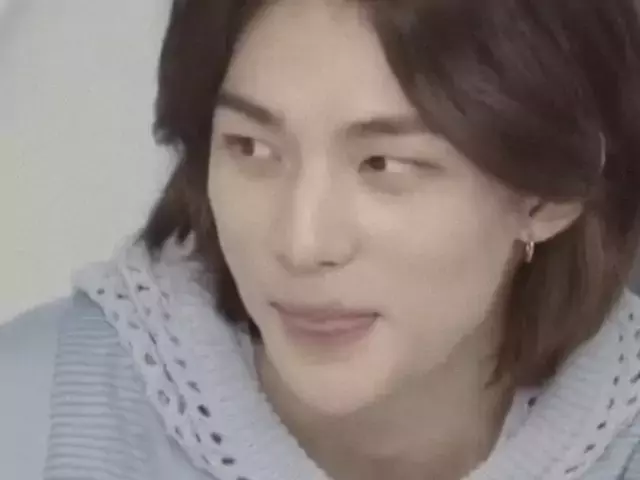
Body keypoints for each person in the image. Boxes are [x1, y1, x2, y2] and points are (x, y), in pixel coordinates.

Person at [3, 0, 640, 479]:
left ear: (550, 193)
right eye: (251, 148)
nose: (301, 244)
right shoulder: (32, 408)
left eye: (383, 164)